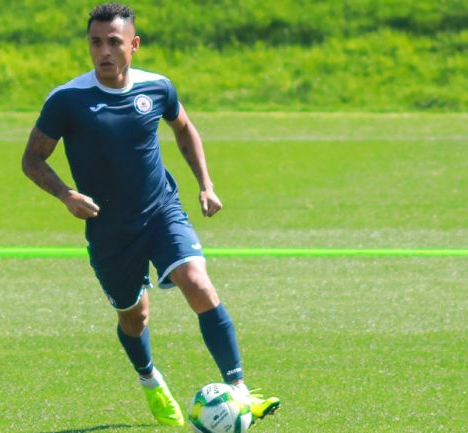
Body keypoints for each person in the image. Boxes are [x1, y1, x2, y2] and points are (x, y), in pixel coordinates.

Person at [22, 2, 279, 427]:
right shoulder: (67, 100)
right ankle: (150, 379)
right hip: (109, 228)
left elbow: (183, 128)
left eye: (113, 43)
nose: (103, 51)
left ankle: (239, 391)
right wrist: (67, 194)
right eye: (95, 42)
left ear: (134, 45)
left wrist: (206, 184)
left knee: (197, 282)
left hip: (162, 209)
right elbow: (32, 160)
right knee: (134, 316)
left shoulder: (158, 88)